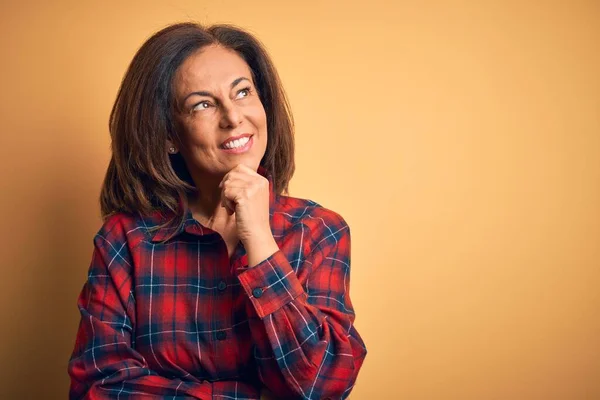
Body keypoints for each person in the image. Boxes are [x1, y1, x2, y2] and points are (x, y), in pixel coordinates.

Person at [67, 22, 367, 400]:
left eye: (242, 92)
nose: (233, 117)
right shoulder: (125, 240)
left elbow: (323, 385)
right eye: (203, 104)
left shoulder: (320, 231)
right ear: (168, 136)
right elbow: (97, 387)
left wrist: (259, 239)